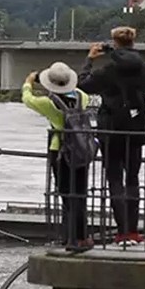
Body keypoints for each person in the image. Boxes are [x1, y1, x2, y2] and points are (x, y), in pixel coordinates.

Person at [78, 26, 145, 245]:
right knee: (133, 178)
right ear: (133, 42)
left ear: (114, 43)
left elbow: (82, 85)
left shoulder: (109, 70)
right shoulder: (143, 67)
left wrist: (89, 60)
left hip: (111, 129)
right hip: (137, 127)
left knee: (114, 179)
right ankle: (133, 231)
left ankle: (122, 232)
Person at [23, 62, 93, 251]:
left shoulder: (49, 103)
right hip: (81, 150)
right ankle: (82, 237)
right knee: (80, 194)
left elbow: (28, 99)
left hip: (60, 151)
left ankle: (72, 238)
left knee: (66, 195)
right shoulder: (82, 97)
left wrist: (29, 81)